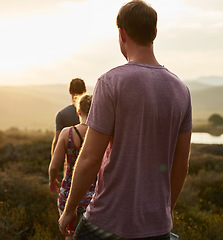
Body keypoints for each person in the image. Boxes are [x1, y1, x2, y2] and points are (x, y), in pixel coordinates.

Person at [58, 1, 192, 239]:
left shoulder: (111, 83)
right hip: (158, 226)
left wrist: (69, 210)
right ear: (155, 33)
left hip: (108, 222)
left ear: (121, 33)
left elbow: (89, 158)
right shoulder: (181, 90)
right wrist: (165, 212)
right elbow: (181, 164)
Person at [49, 95, 95, 240]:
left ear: (78, 112)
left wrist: (52, 181)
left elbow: (54, 166)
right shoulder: (100, 136)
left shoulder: (66, 133)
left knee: (70, 236)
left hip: (68, 197)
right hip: (95, 198)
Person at [51, 78, 86, 156]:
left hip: (71, 163)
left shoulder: (62, 114)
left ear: (70, 91)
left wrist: (54, 163)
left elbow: (57, 142)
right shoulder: (93, 112)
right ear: (85, 90)